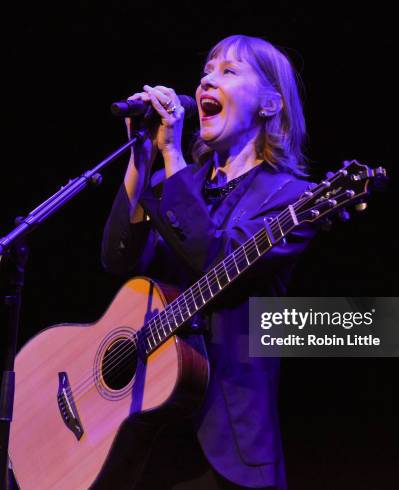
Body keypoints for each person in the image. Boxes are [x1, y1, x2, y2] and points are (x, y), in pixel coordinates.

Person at [101, 34, 316, 490]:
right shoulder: (179, 184)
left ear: (271, 105)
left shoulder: (290, 198)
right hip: (147, 434)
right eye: (206, 71)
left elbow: (215, 256)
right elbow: (118, 259)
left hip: (227, 440)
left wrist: (173, 154)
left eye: (229, 71)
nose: (206, 81)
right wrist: (141, 159)